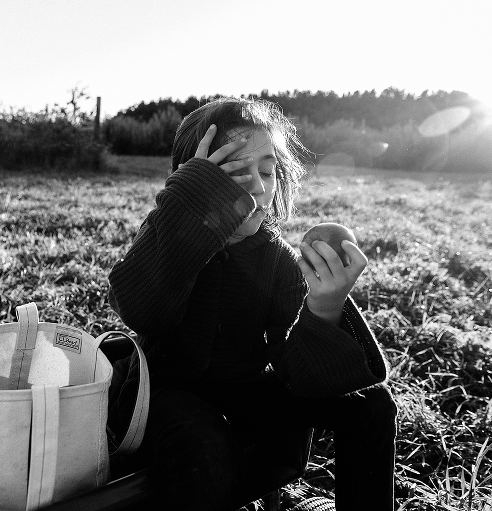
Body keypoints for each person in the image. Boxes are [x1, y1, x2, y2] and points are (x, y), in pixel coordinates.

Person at [107, 97, 397, 511]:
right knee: (202, 445)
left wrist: (325, 308)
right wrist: (189, 210)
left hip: (244, 387)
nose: (259, 187)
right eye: (236, 173)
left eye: (267, 170)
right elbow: (141, 309)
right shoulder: (168, 235)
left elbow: (298, 372)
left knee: (371, 406)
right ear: (193, 182)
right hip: (167, 391)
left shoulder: (274, 256)